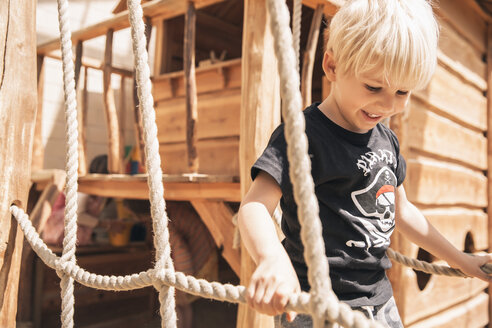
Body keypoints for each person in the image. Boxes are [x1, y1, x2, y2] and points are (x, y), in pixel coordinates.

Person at [237, 1, 492, 327]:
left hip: (379, 301)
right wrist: (271, 257)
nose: (387, 105)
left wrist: (462, 260)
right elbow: (255, 206)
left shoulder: (386, 140)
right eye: (374, 87)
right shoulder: (303, 135)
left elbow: (403, 211)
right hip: (316, 304)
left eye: (402, 92)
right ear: (331, 67)